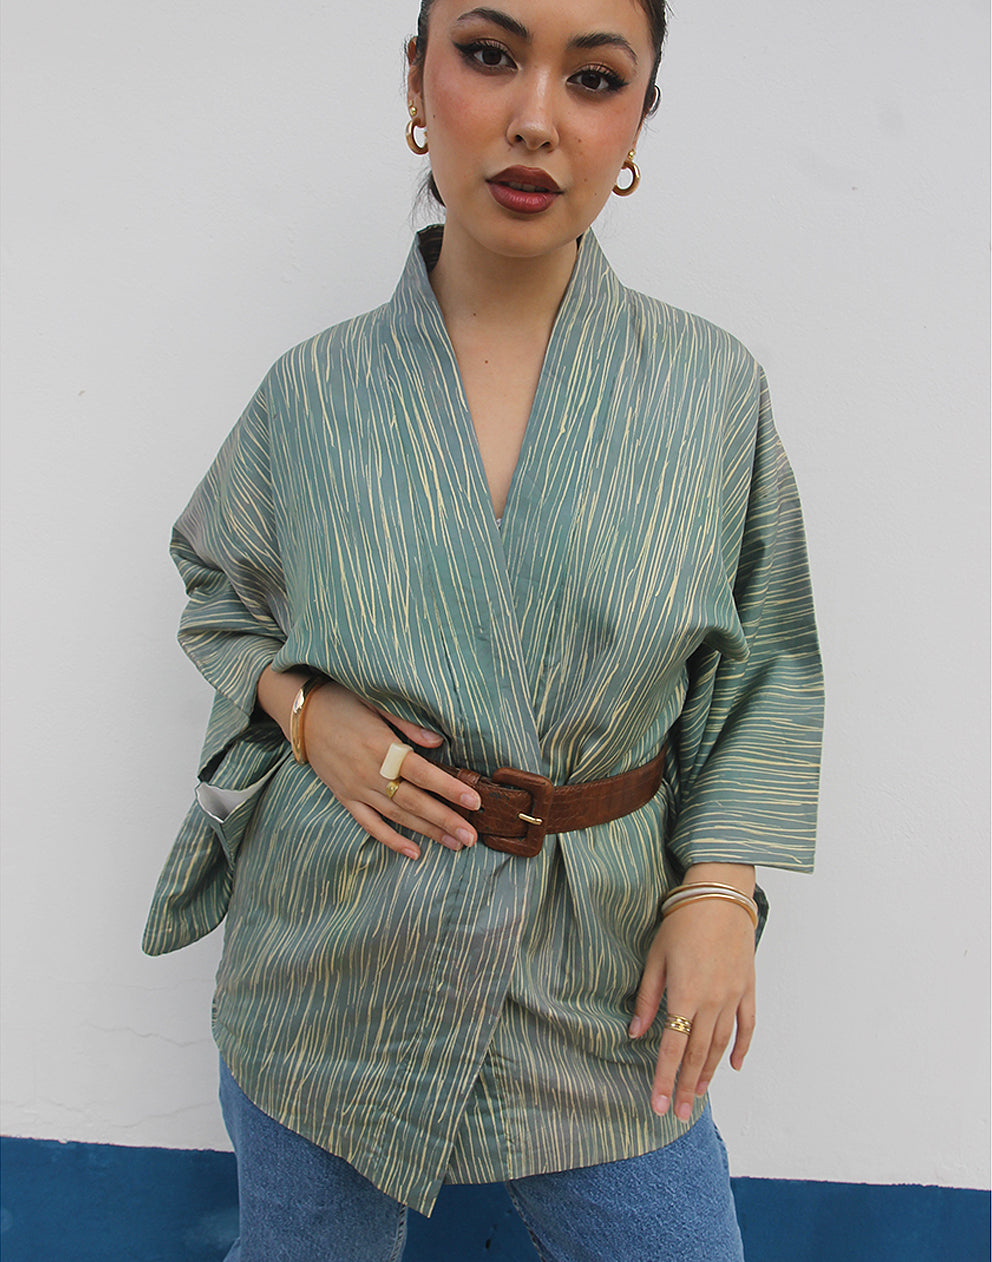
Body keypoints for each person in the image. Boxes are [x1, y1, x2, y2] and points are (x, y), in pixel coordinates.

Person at [143, 1, 824, 1258]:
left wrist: (720, 887)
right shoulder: (313, 392)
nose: (533, 118)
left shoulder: (708, 389)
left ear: (636, 119)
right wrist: (305, 710)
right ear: (417, 76)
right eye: (489, 53)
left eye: (595, 76)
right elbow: (219, 586)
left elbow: (764, 660)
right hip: (333, 954)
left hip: (602, 966)